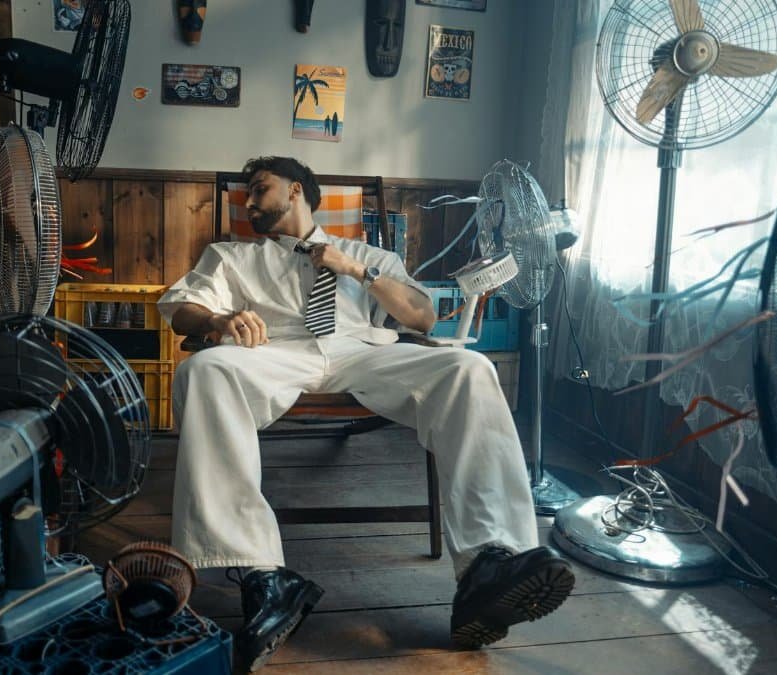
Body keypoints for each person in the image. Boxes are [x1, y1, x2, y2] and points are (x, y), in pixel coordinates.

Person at [157, 156, 574, 672]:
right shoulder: (233, 255)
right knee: (202, 372)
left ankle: (490, 563)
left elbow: (421, 316)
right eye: (245, 193)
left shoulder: (368, 254)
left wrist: (358, 271)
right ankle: (264, 576)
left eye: (259, 189)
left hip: (364, 350)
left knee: (468, 368)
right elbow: (181, 308)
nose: (248, 201)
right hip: (274, 350)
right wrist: (222, 319)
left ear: (296, 192)